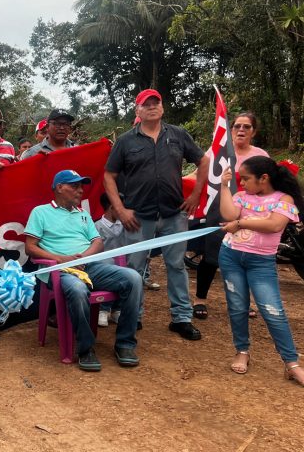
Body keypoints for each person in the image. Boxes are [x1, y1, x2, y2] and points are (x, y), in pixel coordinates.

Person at [104, 89, 209, 341]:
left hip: (174, 213)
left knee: (176, 265)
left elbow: (203, 161)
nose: (152, 107)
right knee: (135, 268)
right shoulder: (126, 141)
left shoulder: (178, 134)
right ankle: (134, 316)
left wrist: (195, 195)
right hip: (138, 215)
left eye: (156, 103)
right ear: (137, 110)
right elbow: (109, 175)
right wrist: (119, 209)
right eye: (146, 104)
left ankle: (182, 318)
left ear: (162, 107)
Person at [24, 170, 142, 371]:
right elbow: (30, 247)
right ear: (59, 187)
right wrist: (62, 259)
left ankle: (125, 344)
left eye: (81, 186)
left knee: (134, 278)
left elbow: (97, 241)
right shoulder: (40, 212)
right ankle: (86, 348)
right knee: (78, 289)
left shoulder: (83, 214)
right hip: (59, 271)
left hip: (90, 266)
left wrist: (85, 256)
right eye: (75, 186)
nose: (80, 190)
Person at [218, 156, 304, 386]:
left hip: (261, 263)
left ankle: (291, 363)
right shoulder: (241, 196)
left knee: (272, 310)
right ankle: (242, 351)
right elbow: (228, 215)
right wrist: (224, 187)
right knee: (237, 307)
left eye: (245, 179)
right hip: (230, 256)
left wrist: (241, 223)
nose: (242, 183)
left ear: (263, 178)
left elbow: (275, 224)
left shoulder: (283, 199)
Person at [193, 112, 269, 320]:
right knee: (211, 256)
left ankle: (242, 302)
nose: (241, 130)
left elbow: (268, 184)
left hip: (249, 214)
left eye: (247, 127)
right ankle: (200, 299)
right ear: (231, 129)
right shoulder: (218, 150)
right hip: (219, 209)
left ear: (254, 131)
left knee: (245, 257)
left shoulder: (260, 156)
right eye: (237, 126)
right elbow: (200, 173)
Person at [94, 193, 127, 327]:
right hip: (105, 266)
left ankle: (116, 310)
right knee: (107, 281)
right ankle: (103, 309)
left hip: (123, 264)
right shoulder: (96, 227)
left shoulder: (125, 225)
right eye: (121, 207)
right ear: (112, 207)